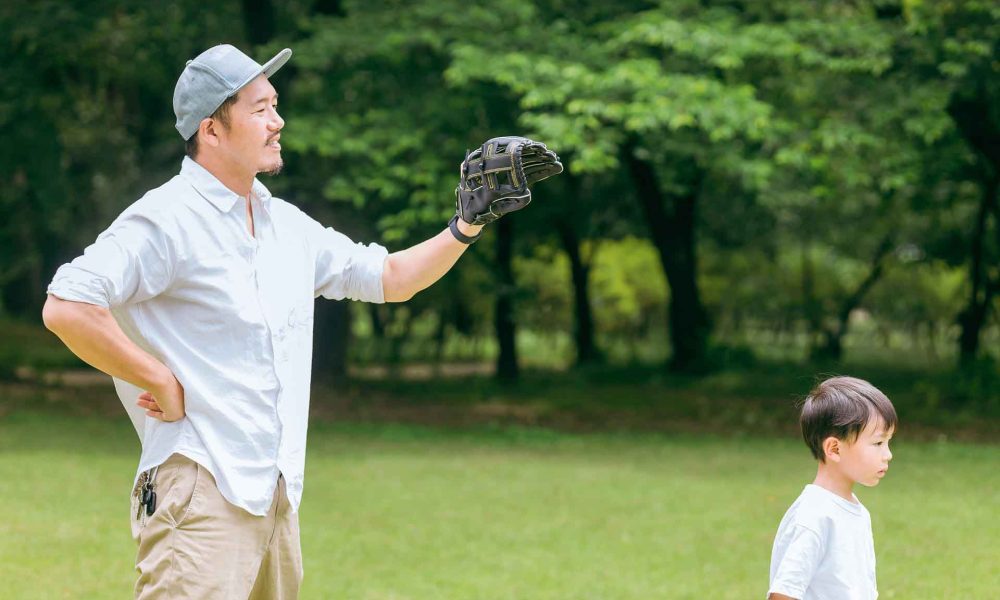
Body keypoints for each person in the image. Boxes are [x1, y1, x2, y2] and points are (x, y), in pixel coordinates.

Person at [41, 44, 542, 599]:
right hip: (199, 488)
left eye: (275, 105)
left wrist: (466, 222)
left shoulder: (285, 225)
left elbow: (391, 277)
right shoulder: (166, 219)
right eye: (260, 110)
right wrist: (157, 377)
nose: (278, 122)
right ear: (212, 130)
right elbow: (68, 304)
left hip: (274, 495)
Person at [767, 376, 897, 600]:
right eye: (878, 443)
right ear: (834, 448)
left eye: (888, 443)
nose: (888, 454)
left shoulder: (856, 511)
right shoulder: (814, 516)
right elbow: (784, 593)